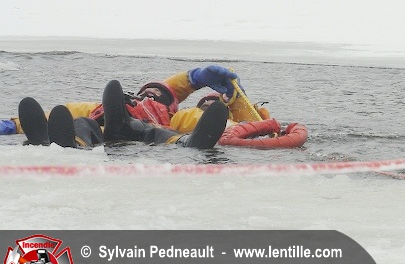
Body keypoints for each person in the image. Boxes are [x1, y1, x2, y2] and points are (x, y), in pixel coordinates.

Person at [14, 65, 256, 149]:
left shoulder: (173, 114)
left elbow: (196, 118)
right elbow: (65, 113)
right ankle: (64, 143)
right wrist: (11, 125)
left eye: (160, 93)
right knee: (82, 123)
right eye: (148, 91)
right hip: (107, 126)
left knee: (161, 132)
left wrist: (231, 124)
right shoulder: (115, 102)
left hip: (141, 130)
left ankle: (190, 143)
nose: (153, 93)